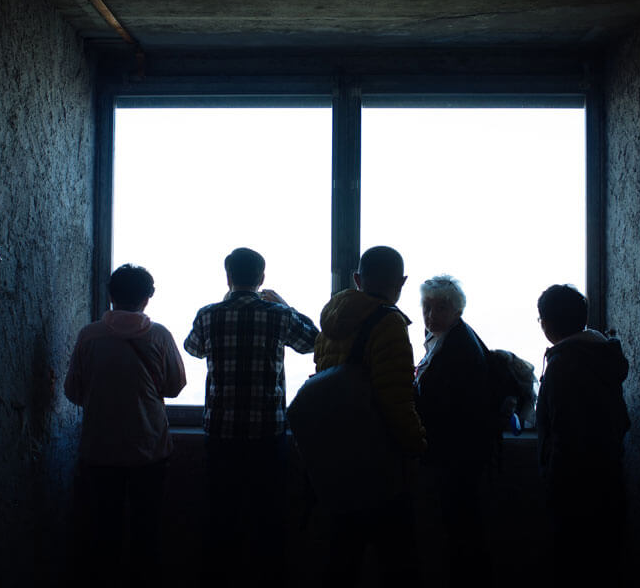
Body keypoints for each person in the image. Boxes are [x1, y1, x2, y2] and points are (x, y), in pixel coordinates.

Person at [184, 247, 319, 588]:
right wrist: (287, 306)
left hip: (221, 432)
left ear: (227, 276)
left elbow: (193, 349)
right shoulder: (278, 315)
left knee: (221, 518)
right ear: (262, 278)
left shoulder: (207, 314)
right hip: (267, 433)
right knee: (270, 520)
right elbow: (315, 343)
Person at [64, 264, 187, 587]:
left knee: (104, 532)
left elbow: (73, 391)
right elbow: (175, 386)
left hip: (99, 449)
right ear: (148, 298)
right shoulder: (159, 335)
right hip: (150, 449)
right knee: (147, 533)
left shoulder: (89, 335)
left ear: (110, 295)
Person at [313, 245, 426, 587]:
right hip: (378, 463)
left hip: (336, 459)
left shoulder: (333, 321)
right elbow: (395, 397)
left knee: (342, 558)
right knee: (397, 563)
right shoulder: (388, 322)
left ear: (358, 279)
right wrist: (417, 443)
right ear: (401, 282)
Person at [414, 274, 515, 585]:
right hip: (459, 455)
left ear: (457, 310)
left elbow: (449, 404)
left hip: (458, 458)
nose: (430, 315)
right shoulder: (447, 338)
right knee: (462, 531)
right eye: (426, 307)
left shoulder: (458, 348)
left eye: (440, 307)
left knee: (463, 533)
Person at [536, 284, 630, 588]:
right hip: (607, 477)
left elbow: (564, 435)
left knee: (573, 564)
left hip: (574, 488)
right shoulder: (598, 355)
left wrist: (553, 480)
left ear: (547, 323)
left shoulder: (565, 365)